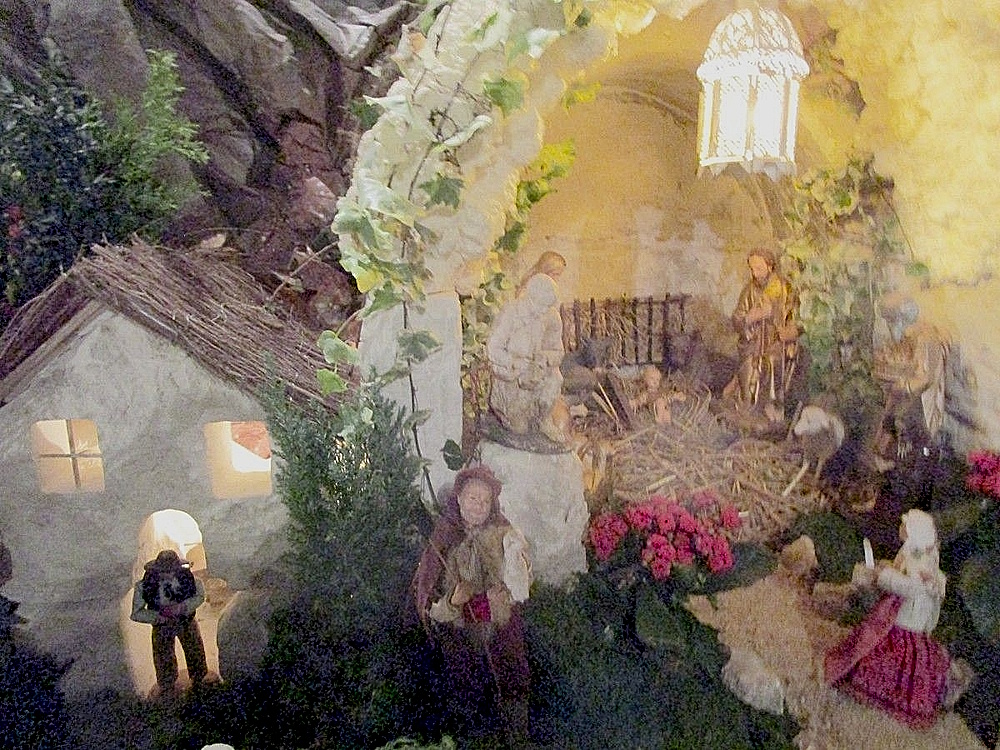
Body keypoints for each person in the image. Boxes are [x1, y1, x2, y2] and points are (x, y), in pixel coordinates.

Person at [413, 465, 532, 740]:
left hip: (499, 624)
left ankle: (515, 734)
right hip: (461, 628)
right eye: (472, 498)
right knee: (465, 678)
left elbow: (518, 583)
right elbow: (430, 602)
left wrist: (519, 571)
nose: (478, 505)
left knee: (510, 667)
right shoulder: (444, 538)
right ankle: (473, 735)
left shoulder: (503, 533)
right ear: (459, 498)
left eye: (484, 500)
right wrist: (455, 602)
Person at [824, 509, 954, 729]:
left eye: (905, 526)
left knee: (890, 651)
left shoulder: (918, 560)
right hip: (901, 611)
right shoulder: (914, 553)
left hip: (906, 618)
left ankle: (880, 692)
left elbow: (910, 586)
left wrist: (883, 576)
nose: (900, 529)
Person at [487, 272, 569, 444]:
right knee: (520, 429)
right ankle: (511, 416)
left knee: (555, 378)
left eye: (547, 306)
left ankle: (543, 419)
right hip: (512, 377)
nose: (543, 311)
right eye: (540, 305)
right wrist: (514, 363)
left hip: (537, 373)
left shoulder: (551, 316)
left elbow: (557, 351)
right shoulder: (511, 313)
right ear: (529, 297)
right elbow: (492, 348)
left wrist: (545, 358)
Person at [870, 293, 947, 471]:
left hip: (920, 404)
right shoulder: (910, 336)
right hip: (907, 399)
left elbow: (925, 378)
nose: (889, 325)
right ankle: (889, 463)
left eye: (890, 320)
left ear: (901, 317)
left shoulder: (925, 338)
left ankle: (902, 469)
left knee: (904, 438)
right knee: (888, 422)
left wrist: (903, 385)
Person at [725, 249, 799, 422]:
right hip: (753, 343)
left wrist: (789, 332)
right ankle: (748, 407)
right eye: (752, 269)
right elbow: (737, 318)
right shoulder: (749, 290)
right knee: (749, 366)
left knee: (771, 360)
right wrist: (751, 317)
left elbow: (795, 317)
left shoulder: (784, 288)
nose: (754, 273)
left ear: (770, 266)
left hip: (777, 341)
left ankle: (771, 406)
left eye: (758, 268)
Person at [130, 549, 208, 696]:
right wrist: (157, 616)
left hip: (185, 621)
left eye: (172, 570)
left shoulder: (189, 580)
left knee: (194, 648)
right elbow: (136, 613)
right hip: (162, 626)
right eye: (164, 571)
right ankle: (167, 684)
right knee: (163, 654)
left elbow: (200, 595)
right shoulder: (145, 586)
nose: (168, 574)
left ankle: (199, 678)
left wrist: (184, 607)